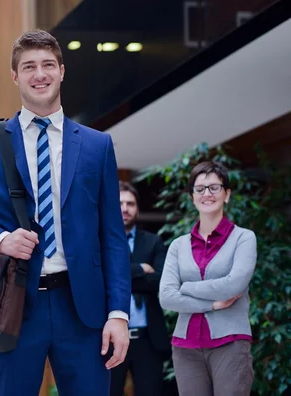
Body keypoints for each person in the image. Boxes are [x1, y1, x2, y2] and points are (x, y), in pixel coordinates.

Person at [0, 29, 131, 396]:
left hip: (83, 310)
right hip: (11, 304)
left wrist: (118, 314)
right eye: (29, 66)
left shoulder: (97, 145)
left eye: (47, 65)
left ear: (62, 70)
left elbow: (113, 238)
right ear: (15, 77)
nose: (39, 74)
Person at [159, 161, 256, 396]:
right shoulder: (178, 245)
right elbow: (167, 297)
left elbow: (234, 285)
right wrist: (211, 304)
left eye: (214, 187)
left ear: (227, 194)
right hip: (185, 346)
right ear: (192, 197)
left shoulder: (243, 238)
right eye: (200, 189)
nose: (207, 194)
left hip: (230, 342)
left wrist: (187, 287)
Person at [110, 181, 170, 396]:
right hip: (110, 340)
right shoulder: (100, 241)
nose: (125, 208)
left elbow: (161, 281)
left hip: (148, 340)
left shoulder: (153, 242)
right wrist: (139, 269)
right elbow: (100, 280)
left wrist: (118, 276)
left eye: (130, 203)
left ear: (137, 208)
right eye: (120, 203)